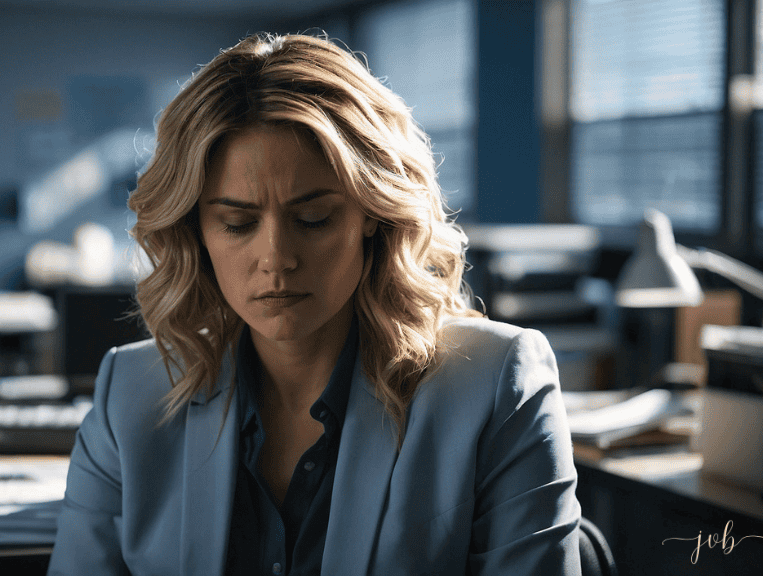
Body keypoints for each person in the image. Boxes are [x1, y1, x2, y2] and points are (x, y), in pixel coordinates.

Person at [48, 32, 582, 575]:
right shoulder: (130, 395)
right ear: (196, 231)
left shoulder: (494, 384)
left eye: (314, 219)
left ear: (371, 212)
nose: (276, 258)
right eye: (237, 223)